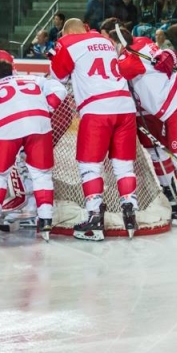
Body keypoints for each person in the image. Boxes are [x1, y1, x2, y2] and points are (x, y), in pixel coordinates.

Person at [50, 19, 140, 241]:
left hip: (96, 109)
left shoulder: (68, 42)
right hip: (125, 107)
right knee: (124, 166)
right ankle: (130, 213)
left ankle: (94, 219)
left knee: (90, 167)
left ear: (67, 32)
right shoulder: (105, 40)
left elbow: (58, 76)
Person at [111, 28, 177, 224]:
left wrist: (170, 55)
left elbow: (122, 69)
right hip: (162, 107)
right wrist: (170, 54)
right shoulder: (141, 43)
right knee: (158, 152)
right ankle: (176, 198)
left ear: (118, 43)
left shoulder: (130, 57)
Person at [0, 61, 66, 240]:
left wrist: (9, 135)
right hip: (39, 123)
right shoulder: (34, 79)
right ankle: (45, 219)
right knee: (42, 175)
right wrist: (46, 108)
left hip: (6, 127)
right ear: (12, 71)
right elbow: (60, 89)